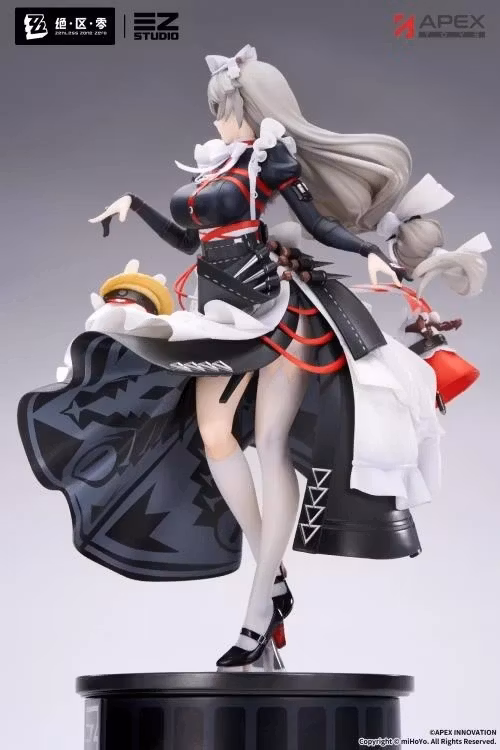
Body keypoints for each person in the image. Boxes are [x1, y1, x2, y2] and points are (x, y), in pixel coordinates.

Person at [17, 44, 442, 671]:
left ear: (254, 109)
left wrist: (369, 253)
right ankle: (274, 579)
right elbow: (190, 240)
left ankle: (258, 607)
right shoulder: (213, 167)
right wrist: (135, 204)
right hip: (216, 317)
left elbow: (316, 225)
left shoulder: (269, 158)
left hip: (275, 314)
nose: (220, 122)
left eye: (228, 110)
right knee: (215, 436)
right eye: (216, 111)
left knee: (270, 446)